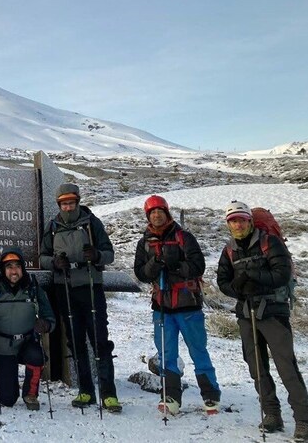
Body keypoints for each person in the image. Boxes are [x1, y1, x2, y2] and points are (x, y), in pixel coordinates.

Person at [217, 201, 308, 440]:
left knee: (286, 367)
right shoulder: (229, 249)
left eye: (241, 220)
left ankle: (303, 420)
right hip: (247, 314)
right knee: (256, 367)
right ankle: (271, 414)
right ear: (229, 224)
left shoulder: (270, 242)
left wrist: (252, 277)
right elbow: (223, 281)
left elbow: (282, 274)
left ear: (250, 221)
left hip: (273, 313)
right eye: (233, 221)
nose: (237, 224)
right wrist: (237, 287)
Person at [133, 195, 220, 415]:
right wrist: (155, 263)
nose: (156, 215)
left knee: (198, 350)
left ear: (167, 212)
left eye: (159, 211)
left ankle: (210, 395)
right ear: (148, 216)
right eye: (152, 213)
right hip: (161, 307)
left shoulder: (184, 237)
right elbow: (141, 273)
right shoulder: (144, 243)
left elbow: (198, 266)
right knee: (166, 352)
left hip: (188, 305)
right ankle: (171, 395)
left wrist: (176, 265)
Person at [39, 183, 121, 412]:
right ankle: (85, 390)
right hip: (64, 288)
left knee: (99, 341)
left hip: (90, 286)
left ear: (77, 201)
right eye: (64, 203)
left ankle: (108, 393)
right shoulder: (53, 227)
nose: (67, 207)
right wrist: (54, 263)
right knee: (75, 342)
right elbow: (42, 256)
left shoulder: (92, 223)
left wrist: (96, 256)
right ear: (59, 204)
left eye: (71, 203)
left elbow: (109, 254)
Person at [0, 248, 55, 411]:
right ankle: (0, 378)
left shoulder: (33, 288)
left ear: (23, 268)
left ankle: (30, 394)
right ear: (3, 270)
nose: (14, 270)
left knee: (36, 355)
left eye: (17, 266)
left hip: (27, 341)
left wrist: (46, 324)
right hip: (4, 346)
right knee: (7, 400)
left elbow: (49, 316)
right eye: (9, 266)